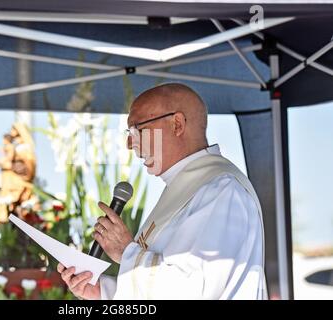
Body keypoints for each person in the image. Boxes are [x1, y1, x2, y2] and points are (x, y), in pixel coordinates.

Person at [58, 83, 267, 300]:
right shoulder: (186, 189)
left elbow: (195, 289)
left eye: (137, 129)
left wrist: (125, 251)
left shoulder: (221, 190)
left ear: (176, 124)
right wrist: (105, 292)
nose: (130, 143)